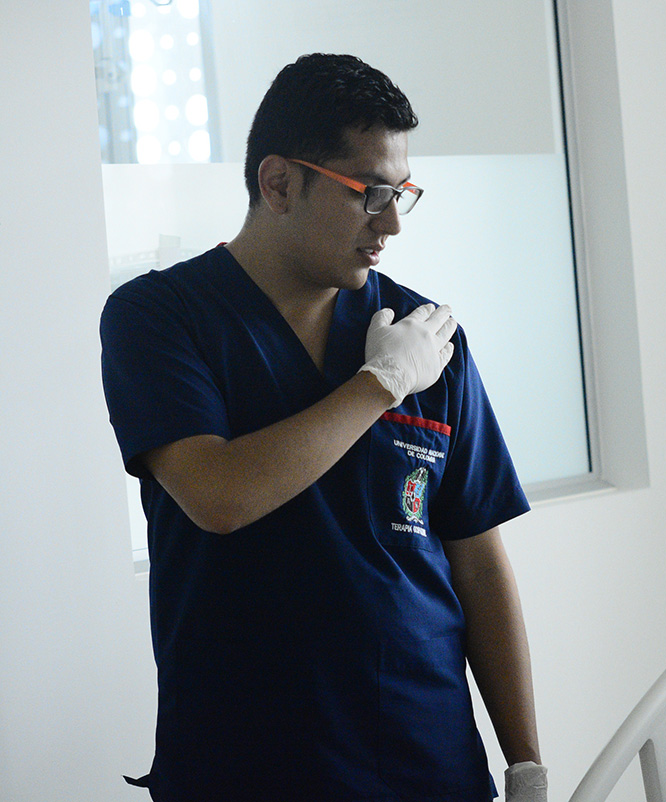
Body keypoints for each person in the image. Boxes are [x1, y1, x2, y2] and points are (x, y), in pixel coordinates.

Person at [100, 53, 545, 802]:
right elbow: (220, 496)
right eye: (370, 193)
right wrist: (379, 386)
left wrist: (525, 764)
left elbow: (477, 563)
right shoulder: (161, 319)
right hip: (247, 767)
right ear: (279, 183)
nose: (393, 223)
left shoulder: (428, 336)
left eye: (402, 192)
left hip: (426, 761)